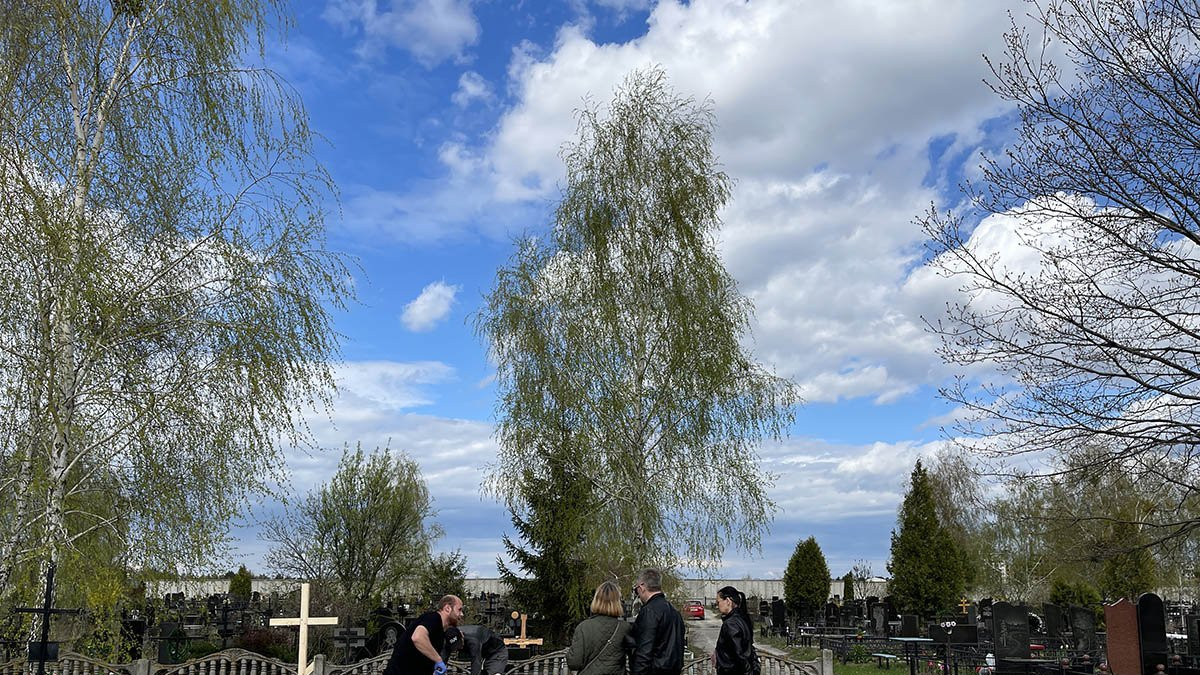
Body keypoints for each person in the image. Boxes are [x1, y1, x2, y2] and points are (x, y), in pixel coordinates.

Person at [383, 595, 465, 675]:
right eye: (459, 610)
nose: (462, 614)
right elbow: (418, 637)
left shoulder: (439, 632)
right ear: (447, 608)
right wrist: (438, 660)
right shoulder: (434, 618)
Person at [626, 568, 684, 675]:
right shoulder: (674, 612)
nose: (637, 593)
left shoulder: (649, 611)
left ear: (642, 586)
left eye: (636, 589)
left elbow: (644, 652)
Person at [567, 581, 632, 675]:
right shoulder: (625, 628)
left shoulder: (583, 627)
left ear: (596, 600)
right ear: (618, 602)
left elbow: (574, 663)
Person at [713, 586, 759, 675]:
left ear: (728, 601)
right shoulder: (742, 618)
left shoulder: (731, 624)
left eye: (718, 602)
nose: (717, 605)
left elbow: (739, 653)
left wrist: (748, 672)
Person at [442, 625, 509, 675]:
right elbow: (442, 659)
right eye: (455, 646)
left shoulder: (473, 641)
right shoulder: (449, 638)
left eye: (459, 644)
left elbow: (476, 664)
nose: (459, 647)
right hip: (483, 652)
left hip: (497, 652)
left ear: (462, 635)